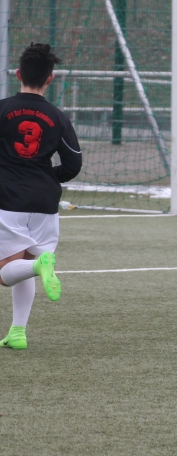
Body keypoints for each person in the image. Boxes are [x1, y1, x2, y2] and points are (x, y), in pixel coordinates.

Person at [0, 43, 82, 350]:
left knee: (5, 272)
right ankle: (17, 333)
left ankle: (40, 266)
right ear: (50, 78)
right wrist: (46, 177)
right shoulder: (58, 117)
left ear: (18, 74)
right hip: (46, 205)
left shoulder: (3, 109)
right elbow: (73, 164)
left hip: (9, 201)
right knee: (25, 265)